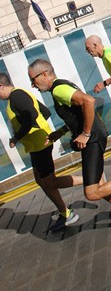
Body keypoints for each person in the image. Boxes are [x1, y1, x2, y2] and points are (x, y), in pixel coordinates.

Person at [27, 59, 111, 238]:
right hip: (94, 138)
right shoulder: (60, 87)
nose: (33, 85)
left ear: (44, 74)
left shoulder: (58, 89)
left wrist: (86, 133)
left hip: (93, 139)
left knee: (91, 192)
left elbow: (88, 102)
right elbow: (77, 113)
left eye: (33, 80)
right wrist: (60, 132)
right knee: (100, 188)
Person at [0, 73, 82, 232]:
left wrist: (16, 138)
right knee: (41, 180)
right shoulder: (19, 95)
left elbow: (32, 116)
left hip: (40, 145)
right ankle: (64, 212)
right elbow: (44, 112)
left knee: (49, 182)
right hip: (37, 144)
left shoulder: (16, 97)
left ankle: (91, 181)